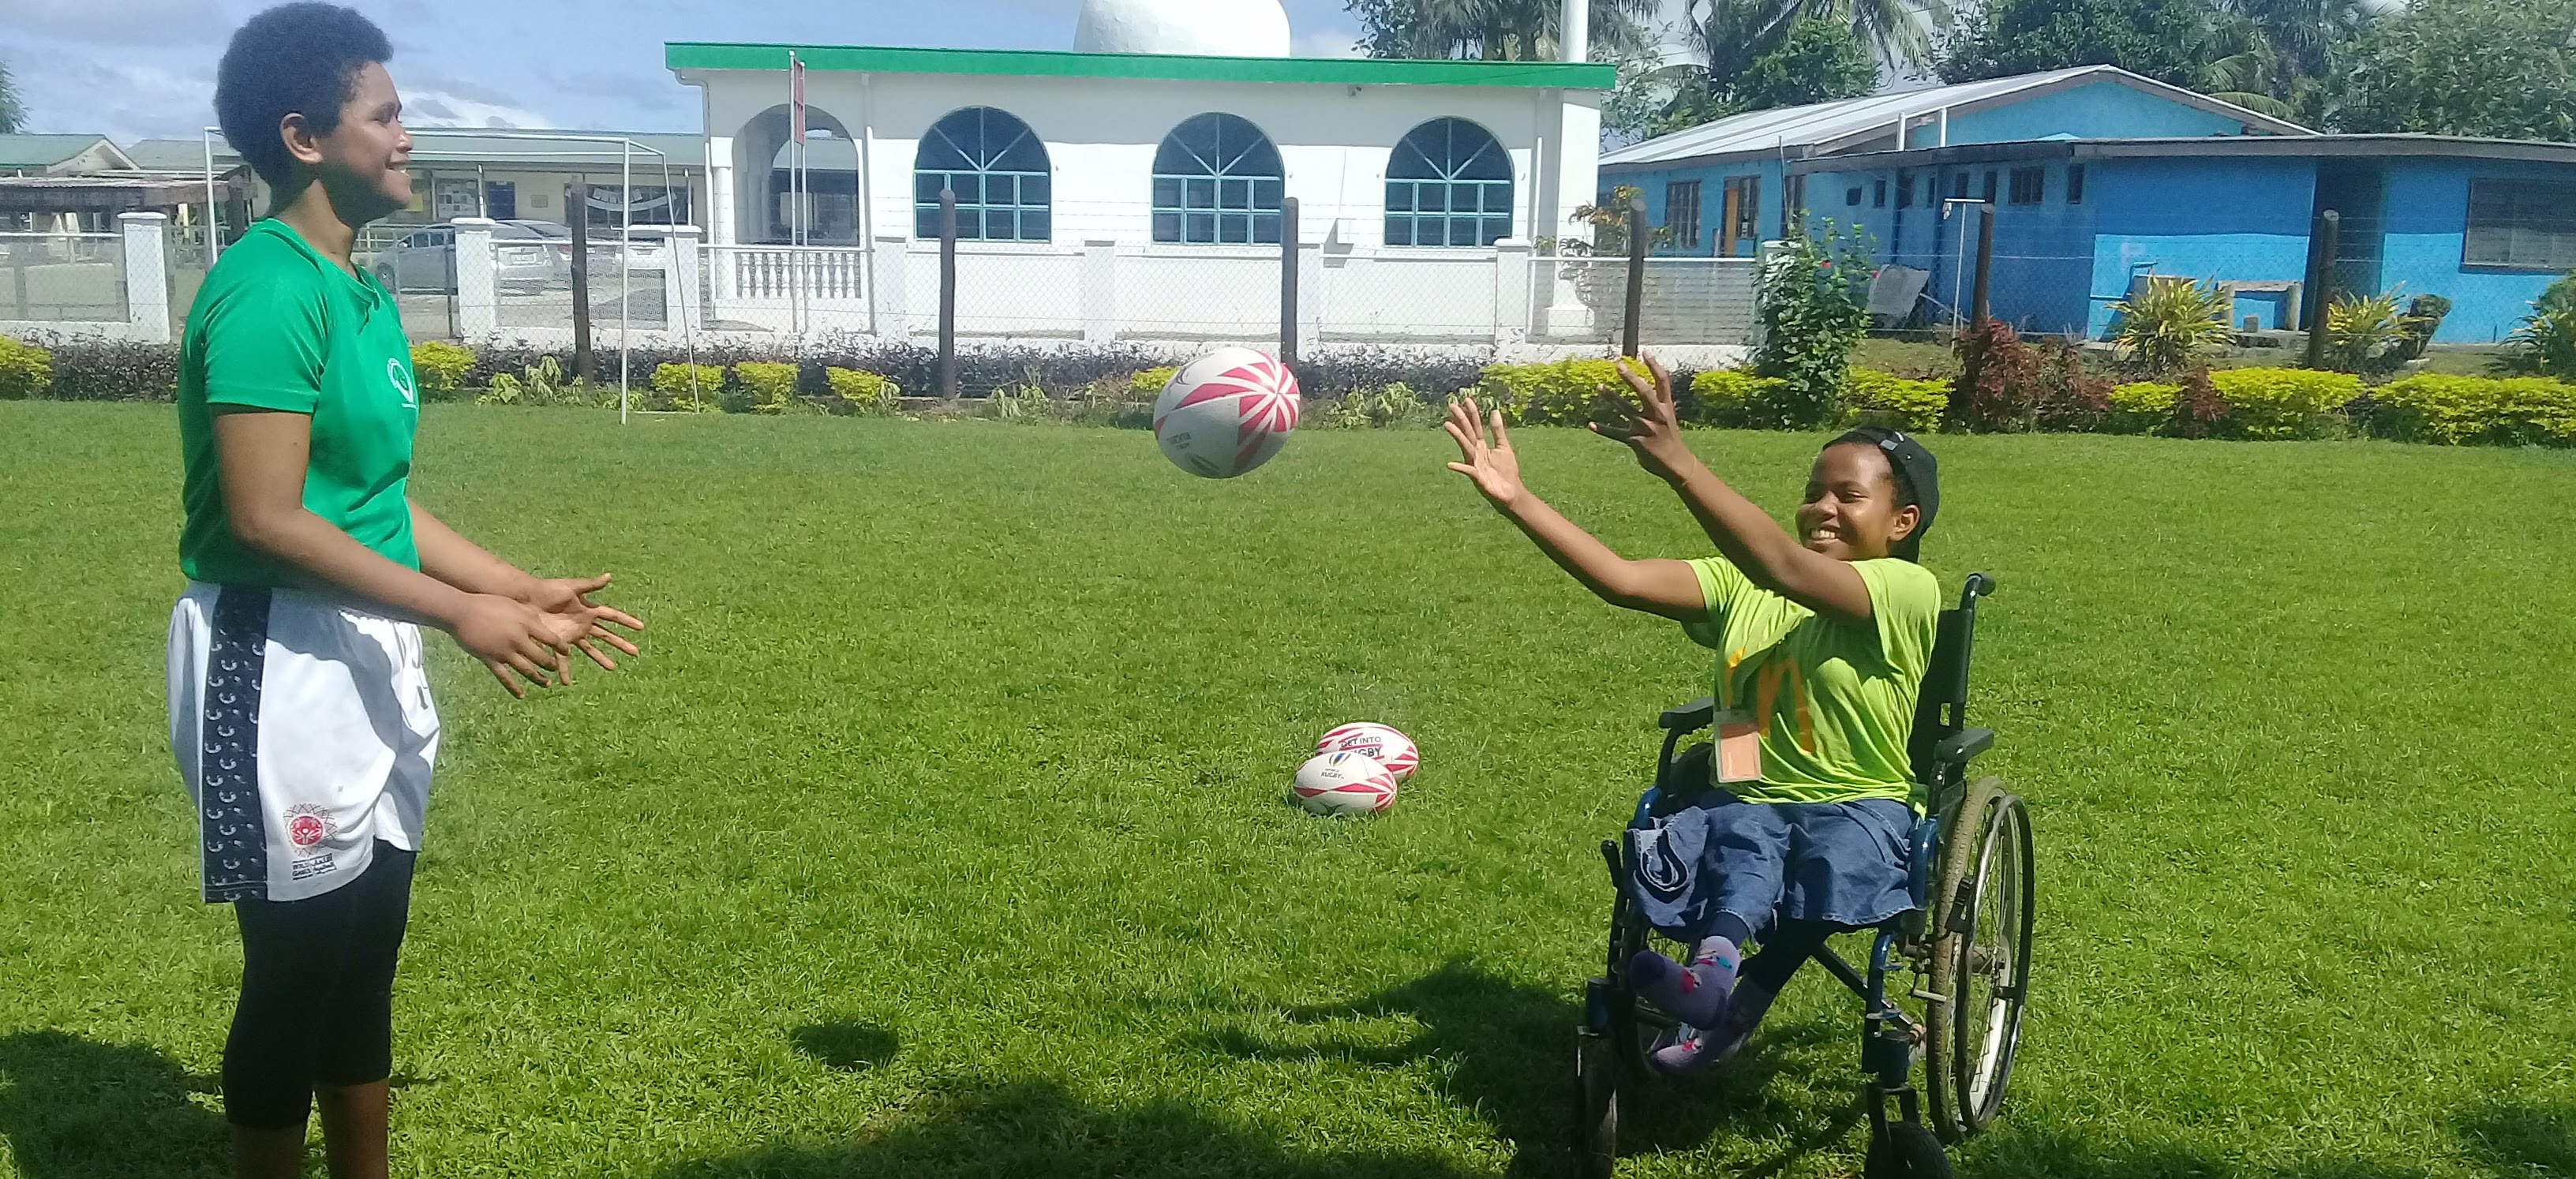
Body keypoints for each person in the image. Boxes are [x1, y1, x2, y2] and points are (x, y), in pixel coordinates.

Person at [169, 6, 642, 1175]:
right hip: (273, 658)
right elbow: (265, 517)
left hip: (367, 643)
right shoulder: (269, 286)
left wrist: (511, 584)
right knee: (293, 973)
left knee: (364, 951)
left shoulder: (362, 293)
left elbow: (369, 497)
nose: (408, 135)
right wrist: (463, 614)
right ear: (306, 136)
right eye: (384, 115)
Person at [1440, 356, 1941, 1074]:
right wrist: (1518, 500)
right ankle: (1711, 982)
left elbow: (1784, 567)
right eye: (1812, 492)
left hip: (1859, 805)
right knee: (1742, 843)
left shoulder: (1904, 588)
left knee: (1826, 860)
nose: (1821, 508)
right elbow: (1621, 579)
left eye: (1847, 496)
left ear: (1902, 521)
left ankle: (1735, 1007)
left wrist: (1680, 466)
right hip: (1751, 790)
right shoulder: (1740, 584)